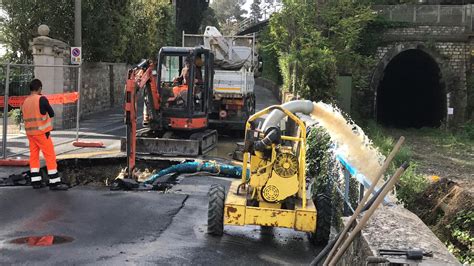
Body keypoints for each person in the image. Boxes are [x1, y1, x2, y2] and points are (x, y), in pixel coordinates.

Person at [21, 79, 68, 190]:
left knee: (34, 156)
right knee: (50, 156)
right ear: (39, 88)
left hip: (30, 133)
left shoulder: (25, 101)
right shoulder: (41, 99)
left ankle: (36, 181)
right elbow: (51, 113)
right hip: (42, 133)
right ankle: (54, 182)